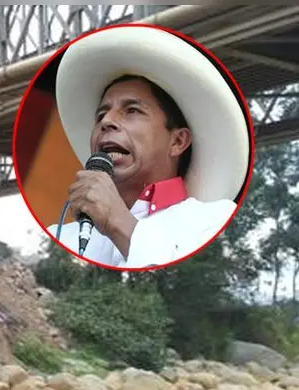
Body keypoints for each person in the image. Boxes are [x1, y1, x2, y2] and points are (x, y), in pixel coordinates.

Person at [45, 25, 251, 269]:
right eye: (101, 115)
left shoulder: (213, 221)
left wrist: (117, 221)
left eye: (132, 110)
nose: (107, 121)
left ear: (177, 142)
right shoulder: (59, 237)